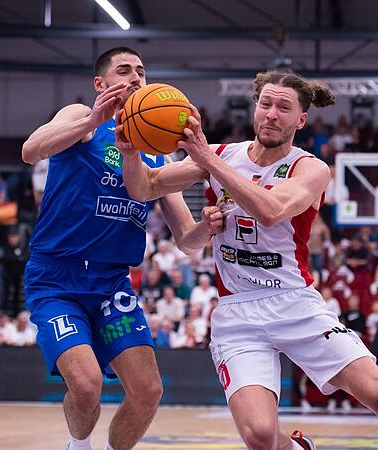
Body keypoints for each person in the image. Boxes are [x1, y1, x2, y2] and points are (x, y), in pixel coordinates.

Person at [119, 68, 378, 450]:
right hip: (238, 313)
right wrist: (130, 154)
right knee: (260, 436)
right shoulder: (222, 155)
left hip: (295, 303)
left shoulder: (310, 167)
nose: (272, 114)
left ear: (300, 119)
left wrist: (208, 161)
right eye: (265, 104)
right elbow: (145, 186)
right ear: (255, 109)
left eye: (283, 107)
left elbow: (272, 210)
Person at [20, 46, 223, 450]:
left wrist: (208, 227)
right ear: (101, 84)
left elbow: (186, 240)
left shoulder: (156, 148)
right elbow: (30, 151)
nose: (135, 77)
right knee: (87, 385)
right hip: (57, 278)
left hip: (112, 282)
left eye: (142, 71)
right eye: (124, 70)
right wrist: (94, 118)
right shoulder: (79, 118)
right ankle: (78, 447)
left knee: (148, 391)